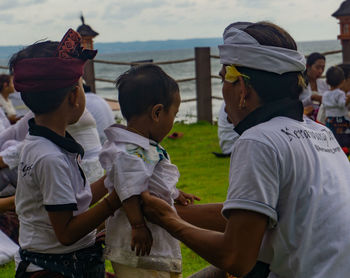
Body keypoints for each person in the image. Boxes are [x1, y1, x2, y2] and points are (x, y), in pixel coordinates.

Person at [141, 21, 350, 278]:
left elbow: (236, 257)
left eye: (223, 80)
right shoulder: (320, 133)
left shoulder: (259, 140)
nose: (223, 89)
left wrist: (168, 221)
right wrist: (166, 209)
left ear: (241, 88)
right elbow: (249, 216)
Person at [10, 28, 121, 278]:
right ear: (73, 96)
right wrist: (114, 202)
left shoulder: (43, 143)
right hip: (56, 268)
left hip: (63, 262)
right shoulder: (50, 157)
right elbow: (67, 232)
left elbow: (75, 202)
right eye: (80, 86)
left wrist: (111, 180)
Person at [99, 64, 200, 278]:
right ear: (157, 113)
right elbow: (129, 190)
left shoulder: (141, 147)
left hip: (151, 246)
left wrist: (175, 193)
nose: (173, 121)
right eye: (174, 114)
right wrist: (138, 225)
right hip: (138, 246)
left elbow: (151, 181)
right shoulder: (128, 152)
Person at [322, 66, 350, 147]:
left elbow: (324, 105)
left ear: (327, 81)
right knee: (343, 138)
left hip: (329, 120)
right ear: (343, 81)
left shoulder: (325, 94)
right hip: (340, 120)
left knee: (332, 137)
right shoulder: (340, 93)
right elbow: (342, 104)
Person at [299, 53, 329, 120]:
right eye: (317, 67)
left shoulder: (323, 84)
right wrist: (311, 99)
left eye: (323, 68)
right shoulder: (300, 84)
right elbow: (294, 104)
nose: (320, 71)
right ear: (307, 66)